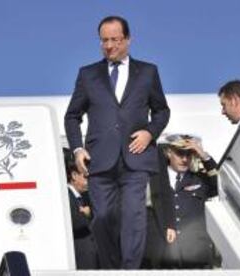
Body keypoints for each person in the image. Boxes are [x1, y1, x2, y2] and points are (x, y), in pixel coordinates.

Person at [64, 15, 170, 269]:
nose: (109, 45)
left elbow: (161, 111)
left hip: (136, 158)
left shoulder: (147, 72)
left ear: (128, 40)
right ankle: (113, 269)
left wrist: (149, 133)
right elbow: (72, 115)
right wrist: (78, 148)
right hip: (99, 160)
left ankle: (129, 270)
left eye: (114, 39)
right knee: (102, 218)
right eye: (104, 41)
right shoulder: (88, 75)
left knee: (134, 216)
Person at [153, 134, 218, 268]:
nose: (184, 159)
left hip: (197, 255)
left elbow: (221, 184)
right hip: (166, 255)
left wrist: (203, 155)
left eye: (189, 154)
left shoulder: (200, 180)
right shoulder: (155, 181)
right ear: (168, 152)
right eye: (180, 153)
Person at [63, 148, 99, 269]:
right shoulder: (65, 196)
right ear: (74, 175)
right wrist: (87, 215)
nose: (89, 181)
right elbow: (73, 223)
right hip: (79, 259)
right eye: (86, 176)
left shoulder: (84, 196)